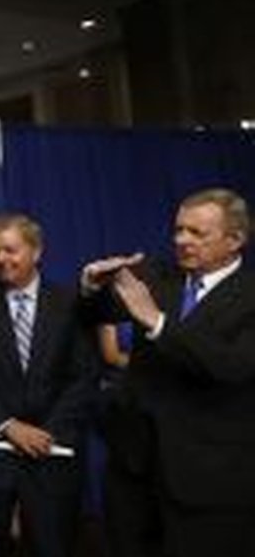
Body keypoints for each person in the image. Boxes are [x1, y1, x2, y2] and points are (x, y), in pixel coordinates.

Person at [80, 187, 255, 557]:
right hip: (133, 472)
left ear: (235, 240)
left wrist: (157, 322)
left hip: (209, 482)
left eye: (197, 233)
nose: (181, 240)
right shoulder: (157, 276)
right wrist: (91, 286)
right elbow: (92, 315)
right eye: (178, 229)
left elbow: (229, 366)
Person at [0, 213, 97, 557]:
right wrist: (9, 426)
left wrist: (47, 434)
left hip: (52, 453)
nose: (0, 259)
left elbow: (83, 376)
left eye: (10, 250)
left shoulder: (70, 304)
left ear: (37, 251)